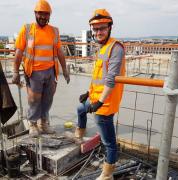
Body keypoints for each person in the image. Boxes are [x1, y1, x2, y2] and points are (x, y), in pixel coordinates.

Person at [74, 9, 126, 180]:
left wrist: (100, 102)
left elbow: (110, 79)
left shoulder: (115, 47)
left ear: (110, 27)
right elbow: (99, 77)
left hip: (105, 103)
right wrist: (88, 93)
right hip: (96, 98)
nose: (98, 32)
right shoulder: (101, 48)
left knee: (109, 142)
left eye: (102, 28)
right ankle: (79, 134)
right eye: (95, 29)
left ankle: (107, 174)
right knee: (80, 108)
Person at [12, 0, 70, 137]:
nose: (43, 17)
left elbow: (60, 52)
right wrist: (15, 72)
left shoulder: (54, 31)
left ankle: (43, 123)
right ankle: (33, 124)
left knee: (48, 99)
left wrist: (65, 70)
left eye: (46, 14)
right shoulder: (27, 29)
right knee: (34, 99)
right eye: (40, 14)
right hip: (33, 72)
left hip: (50, 71)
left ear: (49, 15)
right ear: (35, 14)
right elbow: (19, 52)